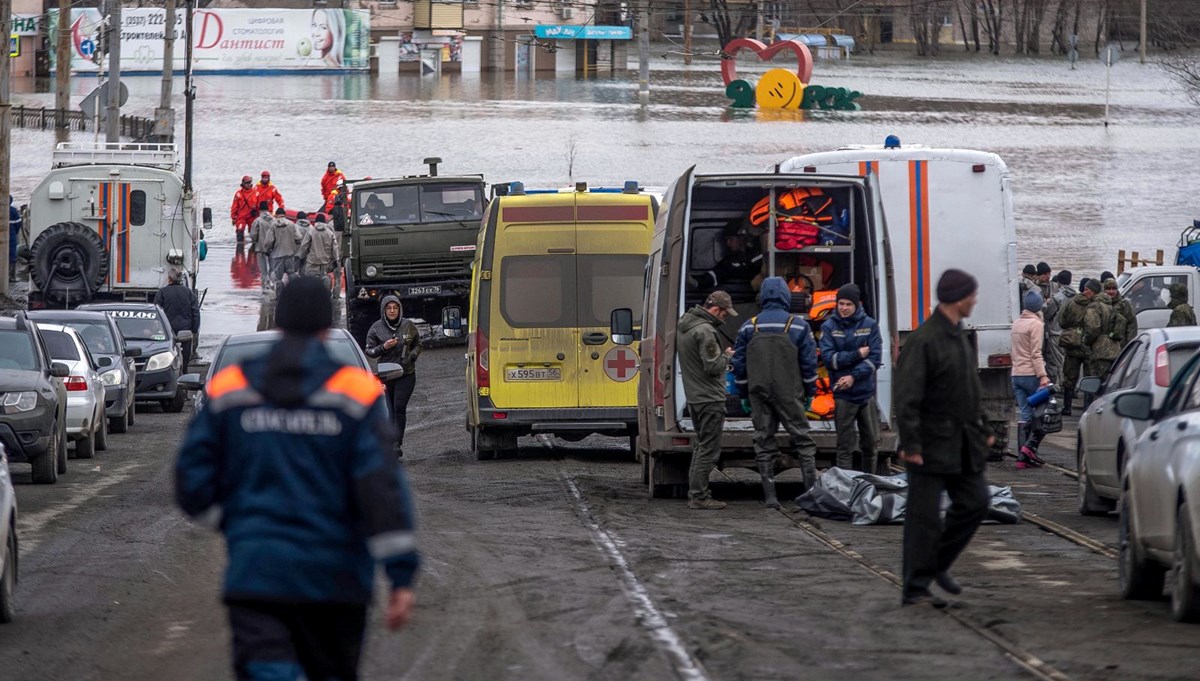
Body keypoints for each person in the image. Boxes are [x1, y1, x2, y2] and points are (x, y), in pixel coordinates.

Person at [175, 277, 419, 681]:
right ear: (327, 326)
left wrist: (237, 522)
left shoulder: (234, 387)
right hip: (336, 582)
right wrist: (400, 575)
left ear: (280, 322)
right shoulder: (356, 394)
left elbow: (190, 478)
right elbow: (382, 490)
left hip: (257, 578)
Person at [896, 269, 992, 608]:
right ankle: (915, 589)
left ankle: (937, 564)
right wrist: (910, 445)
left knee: (976, 502)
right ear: (959, 298)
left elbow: (971, 389)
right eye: (972, 295)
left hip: (964, 442)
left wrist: (986, 429)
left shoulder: (958, 335)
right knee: (922, 519)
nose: (976, 300)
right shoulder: (925, 340)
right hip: (929, 444)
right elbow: (906, 396)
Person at [731, 278, 819, 509]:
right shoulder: (799, 326)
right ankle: (810, 495)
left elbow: (738, 364)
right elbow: (809, 364)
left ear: (763, 297)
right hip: (790, 393)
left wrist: (743, 394)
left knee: (763, 441)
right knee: (803, 441)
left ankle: (770, 497)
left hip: (758, 393)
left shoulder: (749, 326)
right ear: (785, 297)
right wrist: (810, 392)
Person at [677, 291, 737, 510]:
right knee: (709, 450)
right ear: (715, 310)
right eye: (724, 314)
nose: (725, 318)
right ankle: (700, 496)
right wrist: (727, 356)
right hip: (710, 398)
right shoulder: (705, 331)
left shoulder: (686, 326)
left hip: (695, 397)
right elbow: (712, 366)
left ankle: (696, 493)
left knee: (701, 447)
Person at [818, 283, 883, 475]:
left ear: (857, 305)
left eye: (848, 304)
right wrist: (857, 354)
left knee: (870, 445)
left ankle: (868, 484)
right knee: (844, 447)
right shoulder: (828, 327)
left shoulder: (869, 325)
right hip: (843, 396)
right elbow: (830, 360)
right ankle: (844, 490)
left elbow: (875, 359)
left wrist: (853, 376)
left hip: (865, 395)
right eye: (841, 304)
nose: (844, 308)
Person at [364, 295, 423, 457]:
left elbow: (418, 343)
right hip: (386, 375)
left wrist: (412, 355)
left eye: (395, 308)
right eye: (388, 308)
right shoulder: (376, 328)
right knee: (388, 410)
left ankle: (397, 442)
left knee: (398, 407)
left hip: (406, 373)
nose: (392, 311)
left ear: (399, 309)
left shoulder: (408, 326)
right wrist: (383, 347)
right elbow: (369, 350)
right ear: (384, 311)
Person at [1011, 290, 1050, 469]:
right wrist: (1042, 376)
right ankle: (1029, 449)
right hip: (1031, 375)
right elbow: (1036, 353)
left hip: (1016, 375)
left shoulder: (1016, 323)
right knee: (1044, 411)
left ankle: (1022, 457)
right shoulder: (1036, 324)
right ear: (1038, 307)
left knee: (1025, 413)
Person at [1058, 278, 1101, 415]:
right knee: (1089, 378)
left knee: (1069, 376)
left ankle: (1067, 407)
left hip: (1072, 344)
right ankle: (1087, 408)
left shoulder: (1072, 303)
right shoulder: (1097, 305)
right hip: (1089, 346)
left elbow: (1062, 321)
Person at [154, 268, 201, 369]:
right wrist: (194, 330)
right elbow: (195, 313)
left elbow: (156, 312)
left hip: (168, 329)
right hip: (186, 330)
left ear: (169, 279)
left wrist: (156, 329)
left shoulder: (162, 292)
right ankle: (184, 372)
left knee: (166, 353)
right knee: (185, 356)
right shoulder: (189, 293)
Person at [1083, 280, 1119, 392]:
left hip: (1100, 351)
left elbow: (1093, 328)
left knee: (1094, 385)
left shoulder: (1094, 307)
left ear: (1093, 292)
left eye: (1087, 290)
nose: (1084, 293)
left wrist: (1086, 341)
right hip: (1114, 349)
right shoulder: (1109, 305)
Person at [1049, 271, 1078, 413]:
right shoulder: (1077, 296)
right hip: (1072, 334)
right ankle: (1072, 386)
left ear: (1058, 282)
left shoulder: (1057, 297)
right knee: (1069, 361)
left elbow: (1048, 314)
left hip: (1057, 333)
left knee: (1059, 361)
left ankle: (1061, 385)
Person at [299, 211, 337, 289]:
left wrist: (300, 257)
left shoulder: (311, 231)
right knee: (325, 281)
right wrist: (336, 259)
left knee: (310, 284)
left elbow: (304, 246)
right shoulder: (330, 233)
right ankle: (325, 297)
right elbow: (335, 248)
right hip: (325, 263)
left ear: (316, 222)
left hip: (312, 263)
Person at [270, 208, 303, 287]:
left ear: (277, 215)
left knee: (278, 278)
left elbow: (269, 241)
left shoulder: (273, 225)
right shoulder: (291, 224)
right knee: (291, 273)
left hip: (277, 255)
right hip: (289, 254)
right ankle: (293, 292)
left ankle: (279, 296)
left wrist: (268, 250)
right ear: (284, 215)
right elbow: (299, 237)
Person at [248, 202, 277, 290]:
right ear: (268, 209)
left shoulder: (258, 220)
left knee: (263, 271)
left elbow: (253, 234)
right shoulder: (274, 220)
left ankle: (265, 288)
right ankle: (273, 286)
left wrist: (255, 241)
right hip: (272, 248)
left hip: (260, 248)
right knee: (272, 269)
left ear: (260, 210)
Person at [1104, 279, 1137, 348]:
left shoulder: (1124, 304)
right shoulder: (1100, 304)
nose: (1111, 291)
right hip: (1103, 347)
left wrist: (1129, 344)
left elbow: (1132, 324)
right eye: (1108, 289)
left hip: (1120, 345)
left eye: (1114, 289)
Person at [230, 176, 259, 243]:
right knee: (239, 232)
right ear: (243, 184)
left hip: (252, 216)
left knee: (254, 233)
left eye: (250, 182)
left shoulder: (256, 193)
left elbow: (259, 205)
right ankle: (240, 250)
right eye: (247, 183)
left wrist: (258, 214)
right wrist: (233, 217)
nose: (249, 184)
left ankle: (253, 250)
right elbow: (234, 206)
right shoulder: (238, 194)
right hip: (241, 217)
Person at [8, 195, 21, 283]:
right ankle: (11, 277)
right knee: (12, 256)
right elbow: (18, 223)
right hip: (11, 236)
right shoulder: (13, 211)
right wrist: (14, 232)